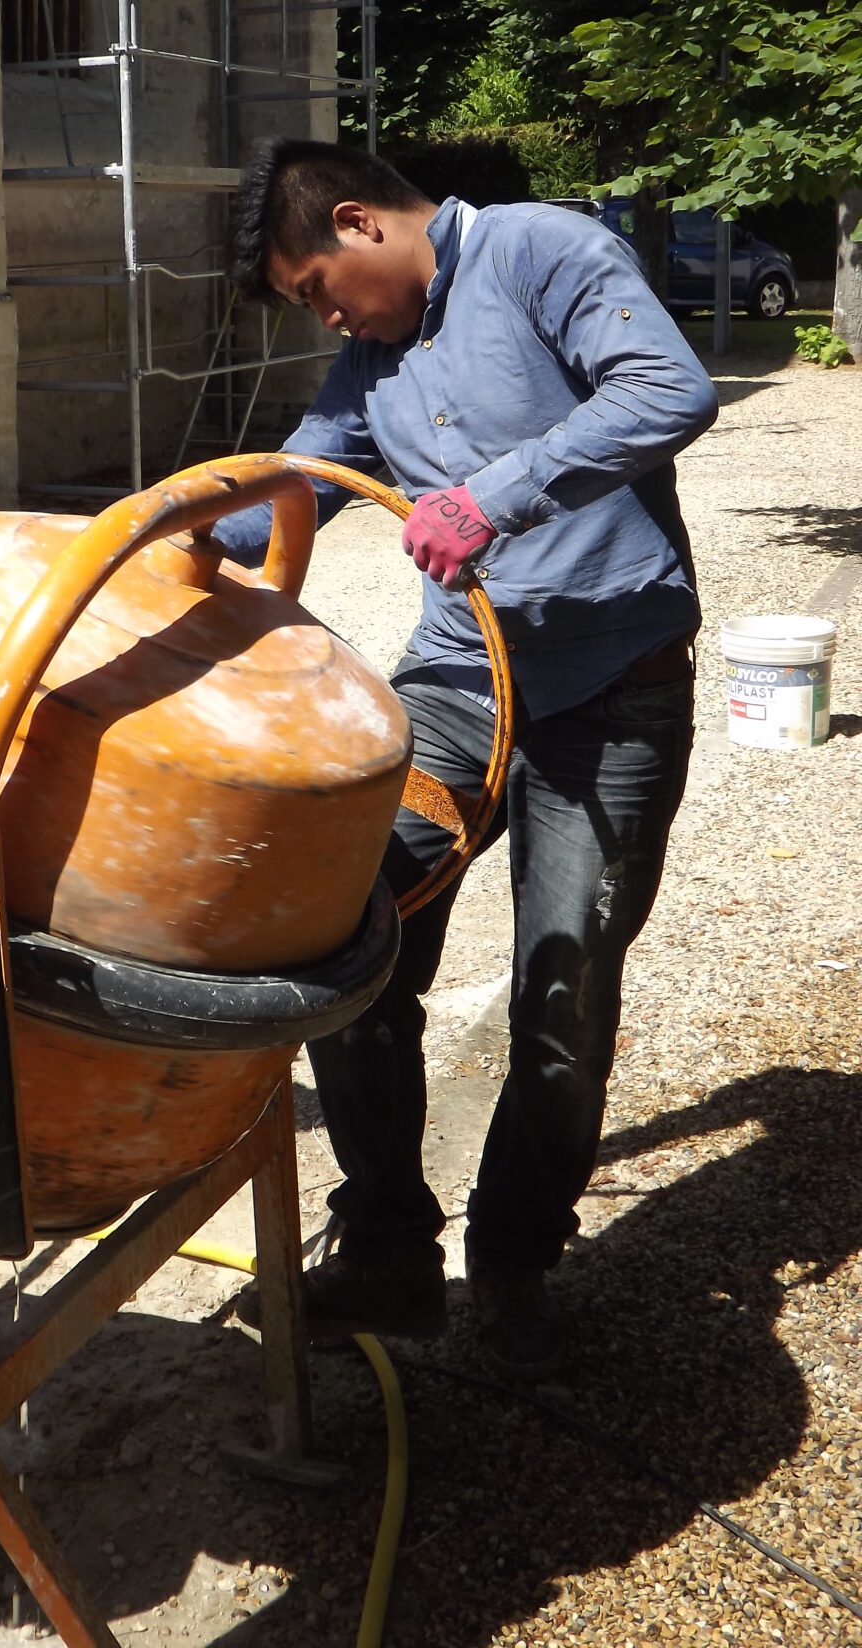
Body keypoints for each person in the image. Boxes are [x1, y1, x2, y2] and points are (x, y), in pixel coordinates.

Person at [216, 140, 718, 1379]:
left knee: (564, 986)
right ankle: (388, 1240)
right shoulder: (370, 360)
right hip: (458, 684)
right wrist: (161, 547)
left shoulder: (545, 249)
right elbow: (301, 474)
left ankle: (515, 1257)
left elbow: (669, 387)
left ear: (360, 222)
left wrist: (494, 495)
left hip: (614, 691)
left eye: (319, 289)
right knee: (354, 922)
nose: (328, 318)